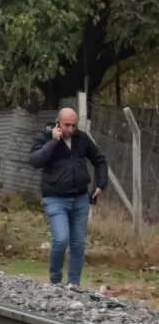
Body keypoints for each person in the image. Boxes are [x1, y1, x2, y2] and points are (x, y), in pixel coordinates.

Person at [27, 107, 108, 286]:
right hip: (55, 198)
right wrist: (54, 142)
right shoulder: (45, 138)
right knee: (61, 238)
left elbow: (99, 159)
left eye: (73, 125)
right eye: (67, 125)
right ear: (58, 122)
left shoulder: (81, 138)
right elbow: (35, 161)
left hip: (80, 197)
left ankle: (74, 284)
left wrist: (101, 184)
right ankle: (55, 279)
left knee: (78, 243)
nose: (70, 129)